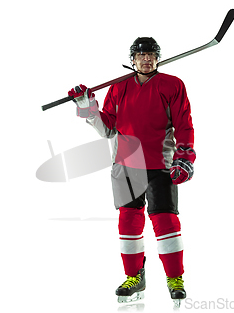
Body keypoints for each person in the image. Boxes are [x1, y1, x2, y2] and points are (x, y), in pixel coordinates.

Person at [68, 37, 195, 307]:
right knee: (128, 222)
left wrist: (184, 156)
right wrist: (87, 107)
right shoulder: (119, 87)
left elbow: (184, 124)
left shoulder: (173, 85)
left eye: (151, 55)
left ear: (158, 58)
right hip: (125, 165)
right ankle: (134, 276)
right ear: (132, 60)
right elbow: (108, 129)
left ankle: (175, 279)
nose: (146, 59)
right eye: (141, 56)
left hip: (160, 165)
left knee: (166, 222)